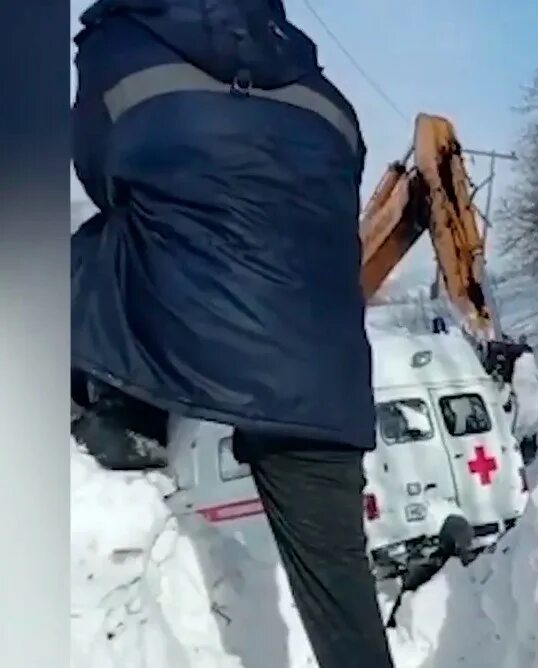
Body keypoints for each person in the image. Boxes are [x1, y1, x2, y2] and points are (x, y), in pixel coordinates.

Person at [71, 1, 393, 666]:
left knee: (73, 256)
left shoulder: (117, 46)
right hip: (322, 364)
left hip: (186, 328)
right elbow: (335, 195)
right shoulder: (321, 89)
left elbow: (105, 179)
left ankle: (122, 420)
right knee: (341, 595)